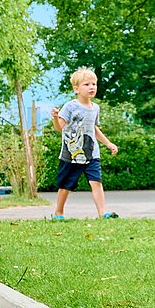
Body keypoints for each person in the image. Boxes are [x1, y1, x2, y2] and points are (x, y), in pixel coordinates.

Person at [50, 66, 119, 220]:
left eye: (94, 84)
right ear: (77, 89)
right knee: (65, 185)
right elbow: (59, 127)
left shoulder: (95, 108)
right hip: (71, 154)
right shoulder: (70, 106)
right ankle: (58, 212)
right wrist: (55, 117)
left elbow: (93, 128)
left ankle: (102, 213)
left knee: (96, 182)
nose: (91, 87)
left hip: (91, 153)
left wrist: (108, 144)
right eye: (86, 84)